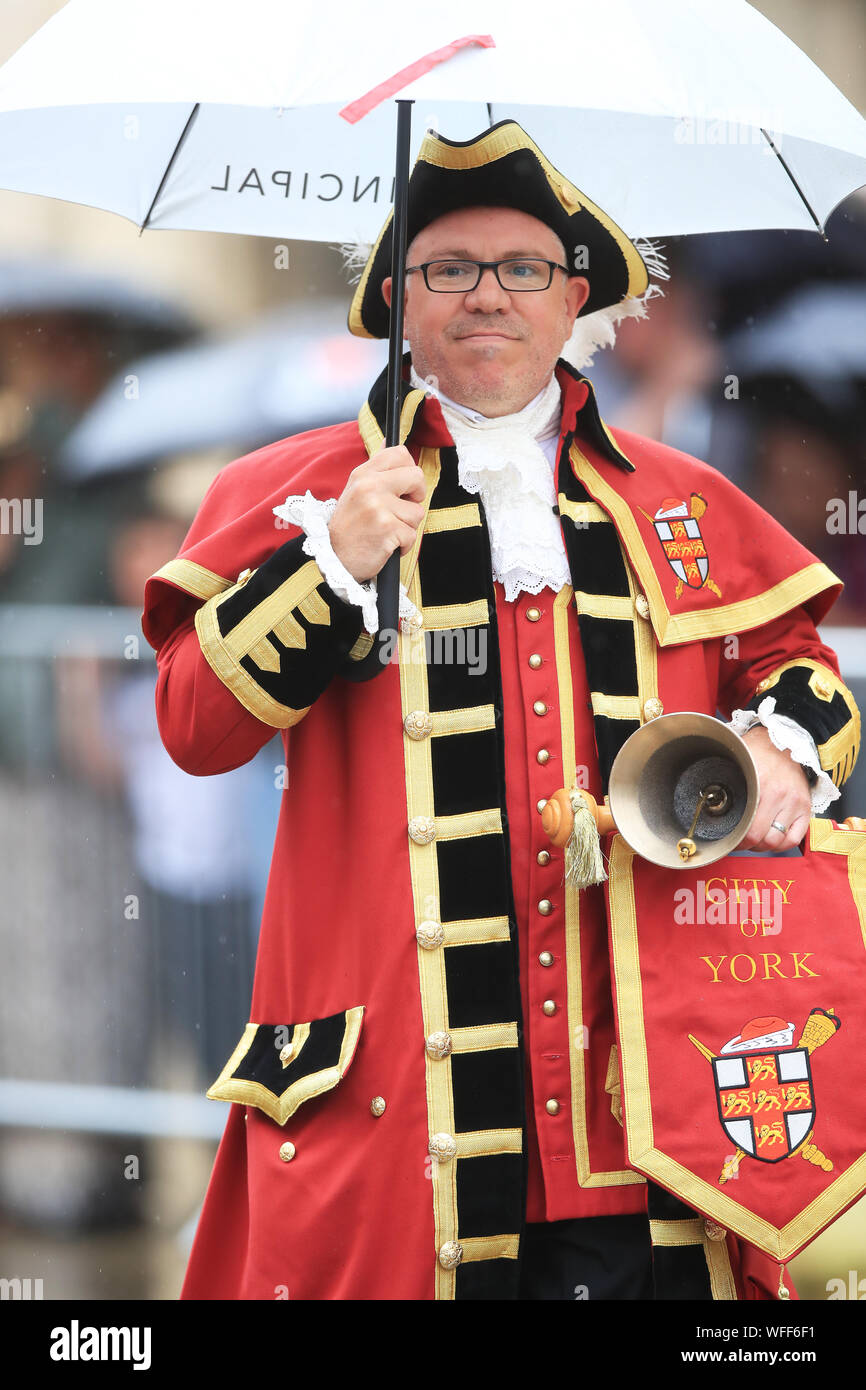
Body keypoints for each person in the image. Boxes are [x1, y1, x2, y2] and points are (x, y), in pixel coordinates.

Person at [142, 122, 859, 1301]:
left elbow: (800, 670)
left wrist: (776, 751)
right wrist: (328, 565)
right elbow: (191, 725)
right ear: (394, 298)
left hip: (646, 1111)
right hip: (394, 1116)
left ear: (573, 295)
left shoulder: (682, 500)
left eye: (523, 268)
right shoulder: (291, 494)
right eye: (450, 268)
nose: (490, 296)